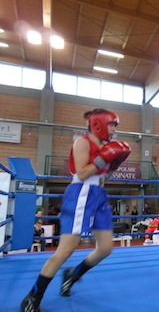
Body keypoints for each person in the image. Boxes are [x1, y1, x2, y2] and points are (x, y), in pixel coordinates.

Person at [21, 108, 131, 312]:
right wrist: (105, 157)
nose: (115, 129)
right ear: (99, 124)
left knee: (106, 248)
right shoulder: (82, 143)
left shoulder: (107, 146)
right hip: (81, 192)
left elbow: (103, 176)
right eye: (112, 124)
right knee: (66, 249)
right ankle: (33, 297)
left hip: (99, 194)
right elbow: (81, 173)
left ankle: (72, 274)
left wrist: (114, 164)